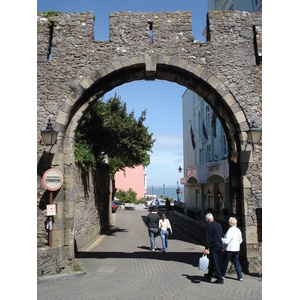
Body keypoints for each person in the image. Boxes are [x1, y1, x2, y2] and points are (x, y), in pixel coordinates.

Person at [203, 213, 224, 284]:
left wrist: (206, 247)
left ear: (207, 220)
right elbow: (221, 235)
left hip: (214, 246)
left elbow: (208, 238)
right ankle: (209, 275)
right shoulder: (219, 225)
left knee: (215, 262)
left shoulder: (209, 226)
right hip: (220, 245)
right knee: (214, 261)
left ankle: (219, 278)